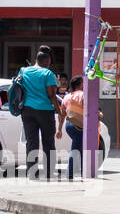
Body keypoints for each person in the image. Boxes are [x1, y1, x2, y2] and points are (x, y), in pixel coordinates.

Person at [17, 47, 64, 180]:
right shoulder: (47, 73)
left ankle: (32, 173)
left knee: (31, 142)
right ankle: (49, 172)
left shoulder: (24, 70)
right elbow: (52, 95)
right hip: (44, 111)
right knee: (48, 142)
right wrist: (59, 111)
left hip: (27, 110)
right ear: (47, 61)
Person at [58, 77, 86, 180]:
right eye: (83, 82)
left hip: (68, 125)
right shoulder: (82, 94)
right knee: (76, 150)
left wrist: (59, 129)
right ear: (80, 84)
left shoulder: (67, 96)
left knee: (80, 148)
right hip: (78, 124)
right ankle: (70, 174)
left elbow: (62, 115)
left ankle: (82, 173)